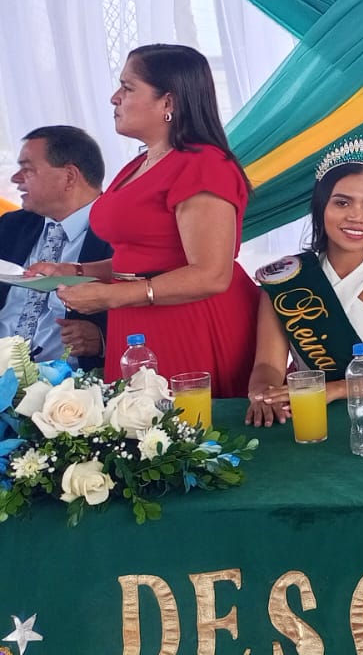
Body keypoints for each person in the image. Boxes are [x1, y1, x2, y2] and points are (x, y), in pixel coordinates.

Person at [33, 44, 259, 396]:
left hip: (190, 322)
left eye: (127, 88)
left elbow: (211, 274)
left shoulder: (204, 165)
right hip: (138, 321)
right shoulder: (140, 164)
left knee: (182, 426)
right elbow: (144, 258)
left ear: (168, 102)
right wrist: (75, 271)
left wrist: (112, 297)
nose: (114, 98)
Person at [244, 137, 363, 426]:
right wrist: (264, 395)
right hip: (308, 416)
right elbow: (268, 365)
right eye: (342, 202)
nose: (356, 216)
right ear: (321, 208)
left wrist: (332, 390)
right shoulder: (287, 278)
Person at [0, 126, 111, 369]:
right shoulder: (9, 227)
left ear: (69, 176)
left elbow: (152, 310)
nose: (15, 179)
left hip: (70, 384)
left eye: (27, 169)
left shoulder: (122, 233)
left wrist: (104, 340)